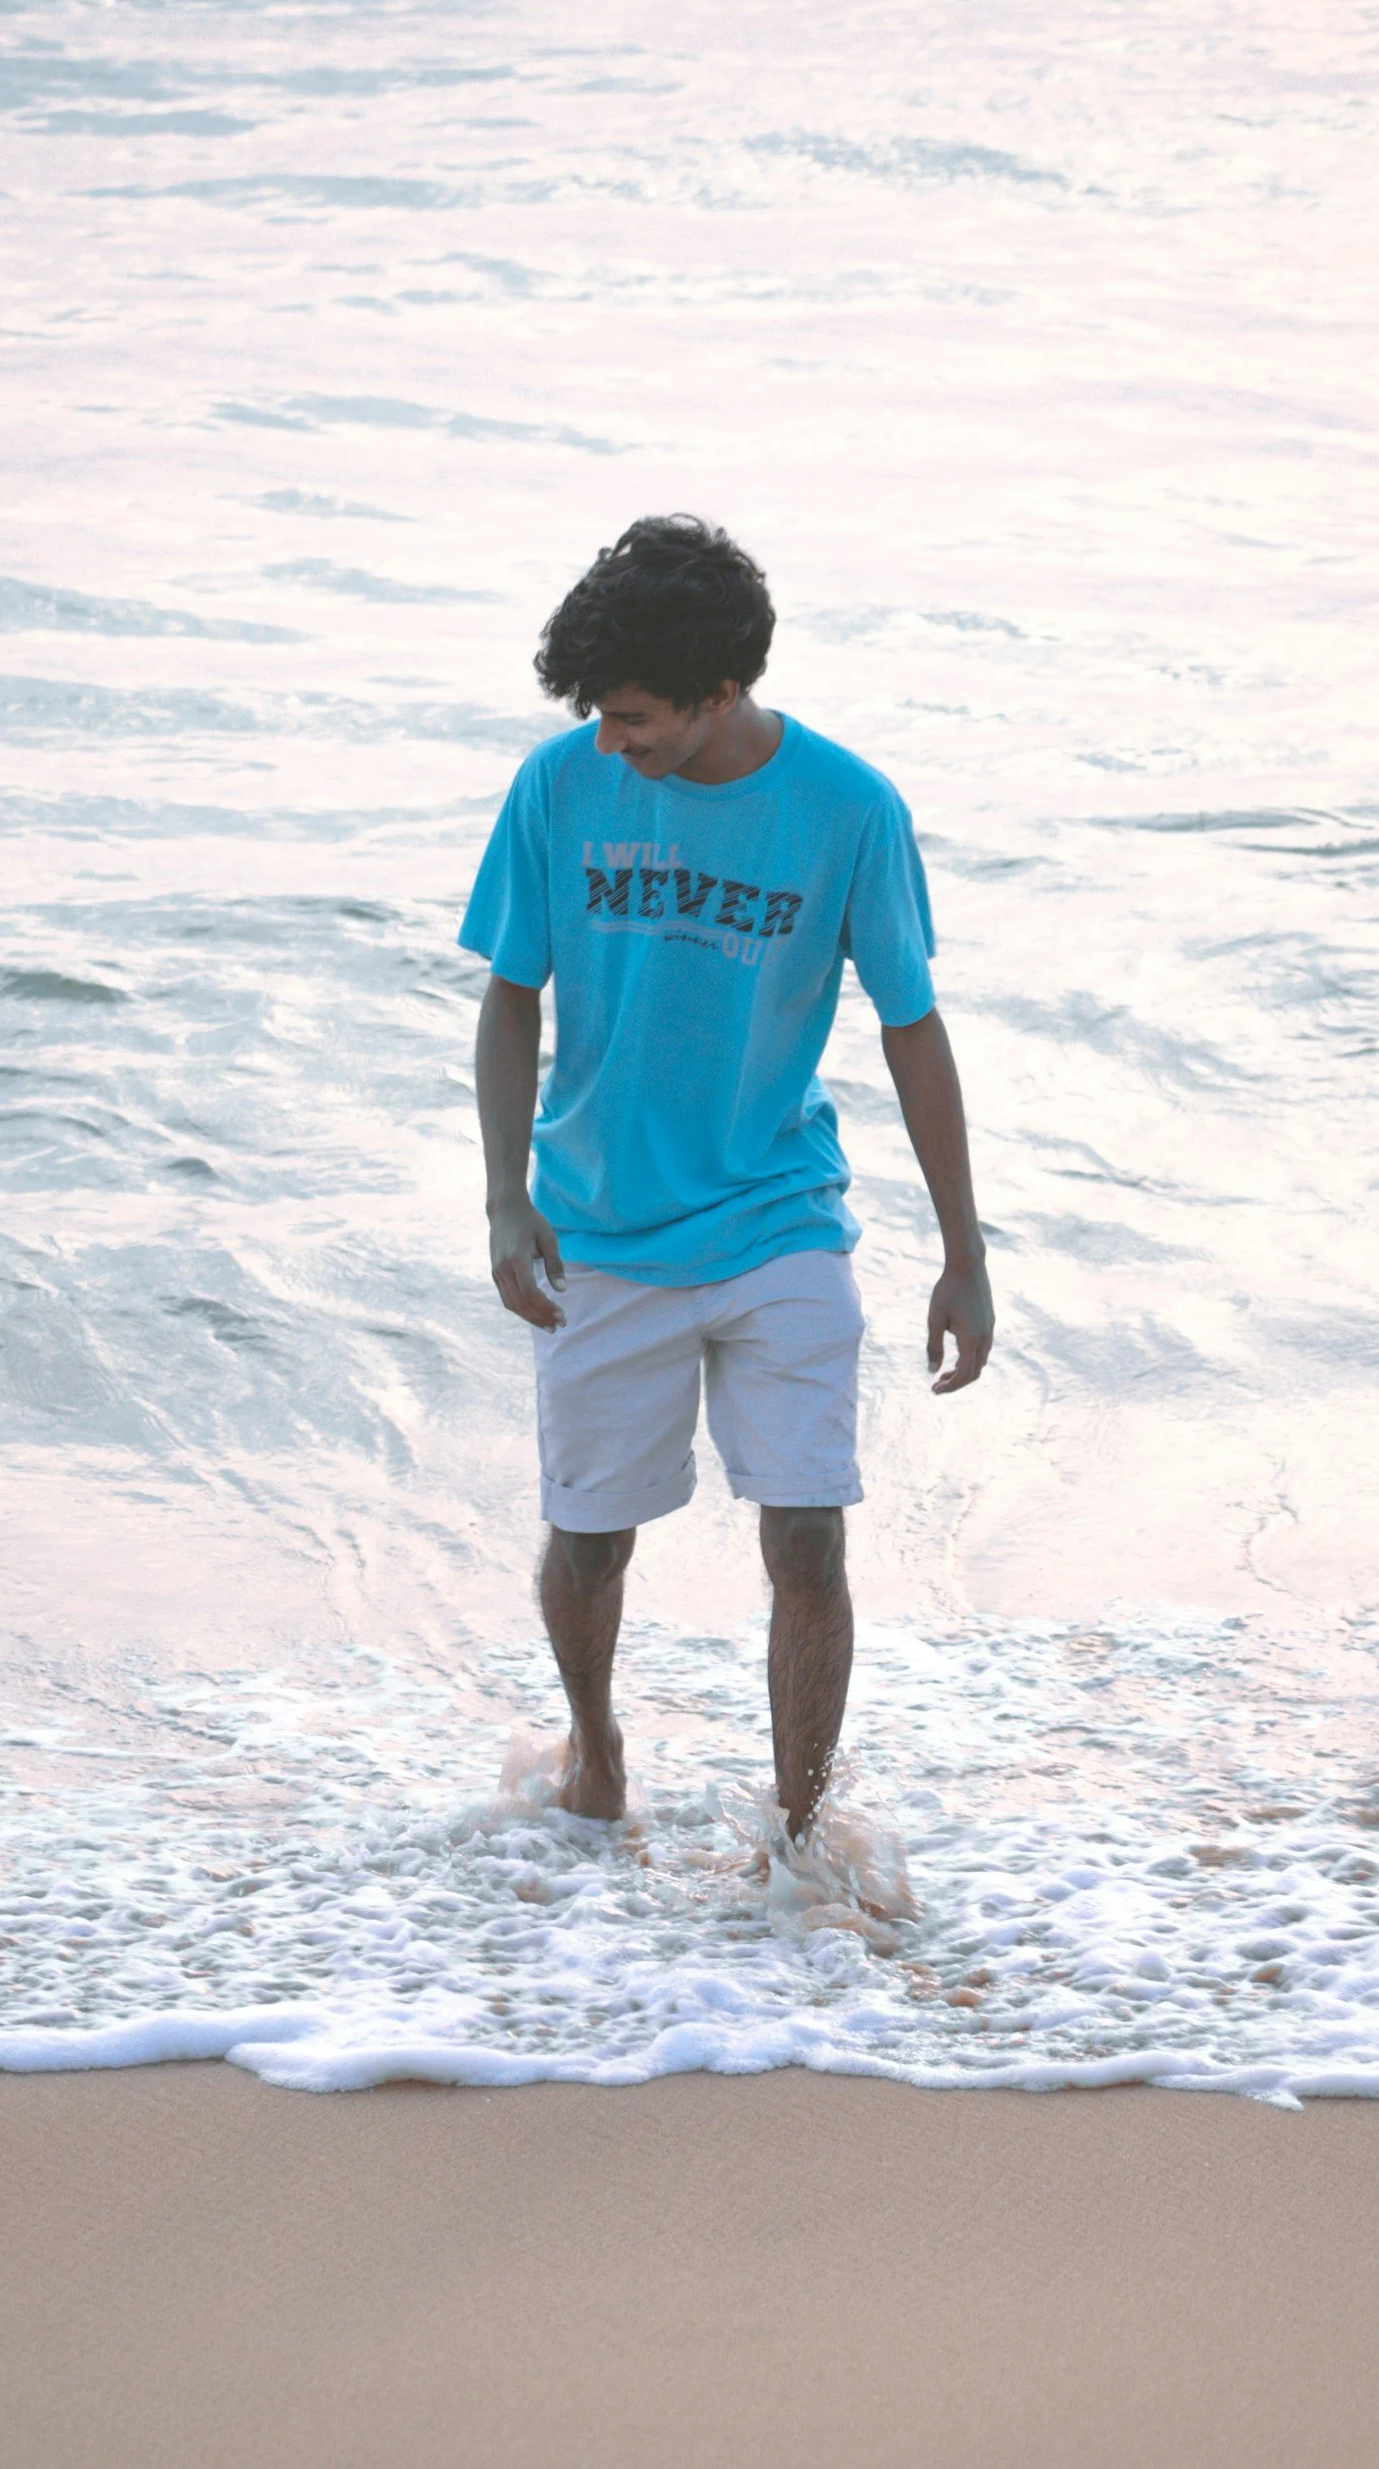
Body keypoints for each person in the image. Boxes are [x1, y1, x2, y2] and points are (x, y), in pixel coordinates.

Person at [460, 515, 993, 1841]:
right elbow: (508, 995)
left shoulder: (849, 811)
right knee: (590, 1543)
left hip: (777, 1220)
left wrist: (964, 1252)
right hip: (598, 1231)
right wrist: (503, 1196)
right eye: (596, 713)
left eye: (636, 716)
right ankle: (597, 1758)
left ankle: (803, 1836)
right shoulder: (558, 787)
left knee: (809, 1536)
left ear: (720, 691)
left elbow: (912, 1027)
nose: (611, 742)